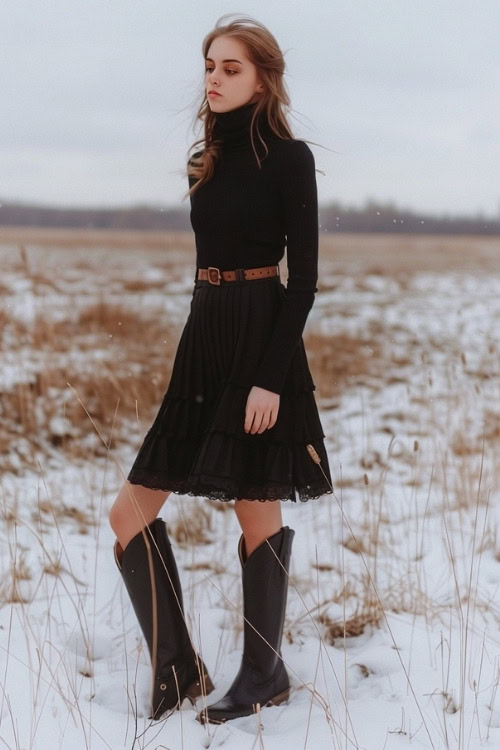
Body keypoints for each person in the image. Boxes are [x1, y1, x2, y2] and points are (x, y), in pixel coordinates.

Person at [108, 13, 333, 725]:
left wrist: (270, 377)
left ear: (263, 78)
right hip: (203, 339)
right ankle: (178, 669)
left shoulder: (290, 160)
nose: (214, 75)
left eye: (231, 66)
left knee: (255, 510)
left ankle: (263, 673)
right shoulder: (202, 160)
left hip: (260, 342)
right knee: (128, 515)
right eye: (210, 64)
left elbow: (302, 282)